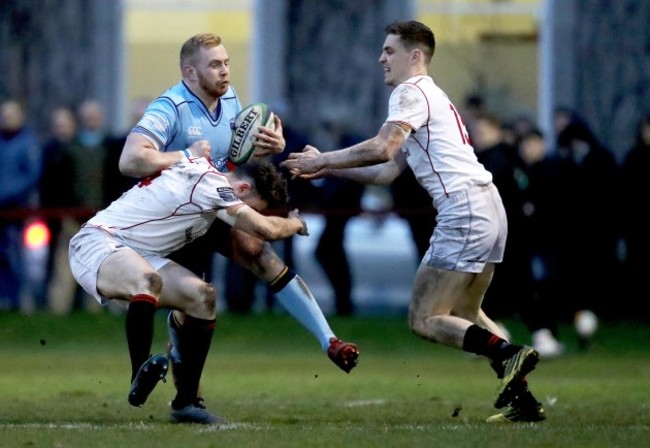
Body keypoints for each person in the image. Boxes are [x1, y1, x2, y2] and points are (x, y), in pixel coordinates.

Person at [282, 20, 545, 423]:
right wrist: (330, 169)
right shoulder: (432, 96)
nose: (381, 58)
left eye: (389, 51)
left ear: (415, 55)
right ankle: (522, 400)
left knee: (423, 318)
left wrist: (322, 159)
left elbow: (382, 147)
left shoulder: (410, 91)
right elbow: (386, 171)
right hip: (489, 207)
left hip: (463, 210)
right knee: (466, 314)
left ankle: (509, 354)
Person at [118, 32, 359, 411]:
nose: (225, 70)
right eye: (215, 65)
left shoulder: (229, 101)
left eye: (227, 62)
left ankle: (329, 340)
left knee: (257, 250)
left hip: (213, 203)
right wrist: (186, 156)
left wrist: (272, 146)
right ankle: (186, 395)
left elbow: (237, 152)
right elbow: (129, 160)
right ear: (189, 71)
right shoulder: (171, 107)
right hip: (174, 214)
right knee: (195, 303)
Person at [70, 156, 309, 424]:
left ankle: (185, 403)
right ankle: (139, 373)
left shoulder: (200, 172)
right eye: (252, 207)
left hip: (141, 253)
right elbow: (265, 229)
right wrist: (295, 223)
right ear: (242, 190)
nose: (248, 213)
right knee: (149, 281)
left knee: (202, 297)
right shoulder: (215, 186)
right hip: (98, 242)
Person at [0, 99, 42, 311]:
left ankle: (19, 301)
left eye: (10, 115)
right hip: (1, 211)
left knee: (16, 256)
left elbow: (32, 175)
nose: (6, 119)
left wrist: (8, 194)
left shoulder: (28, 143)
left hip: (17, 210)